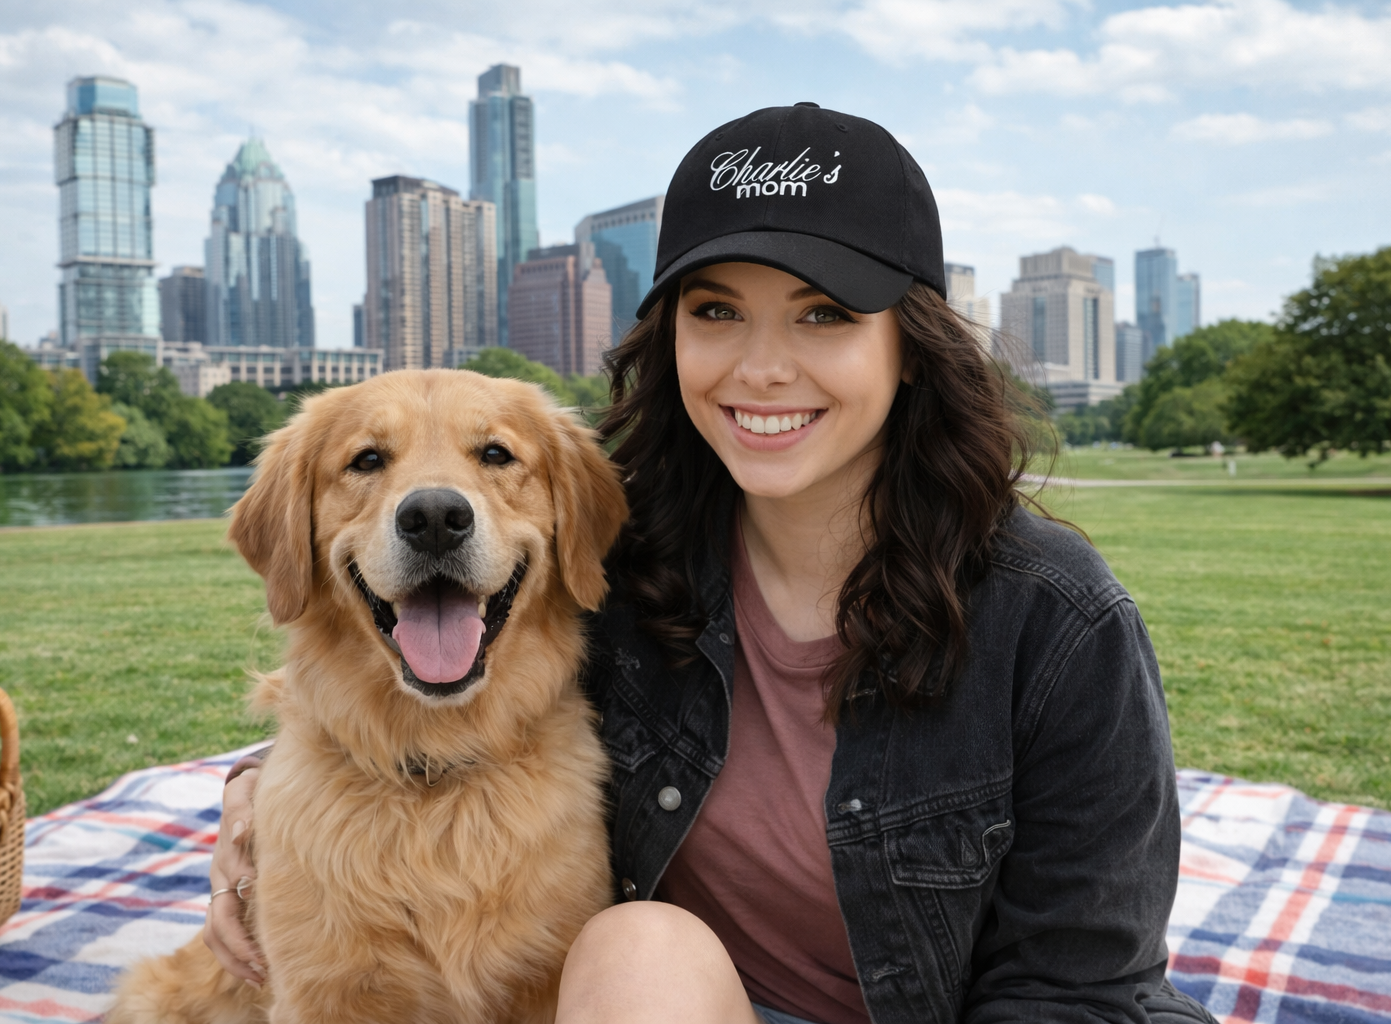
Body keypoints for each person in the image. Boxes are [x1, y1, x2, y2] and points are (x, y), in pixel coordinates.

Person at [203, 104, 1217, 1024]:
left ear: (909, 343)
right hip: (693, 1004)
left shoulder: (1058, 623)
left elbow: (1079, 992)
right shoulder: (615, 560)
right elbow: (422, 677)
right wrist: (263, 789)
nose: (761, 366)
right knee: (638, 947)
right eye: (717, 310)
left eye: (823, 312)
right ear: (670, 336)